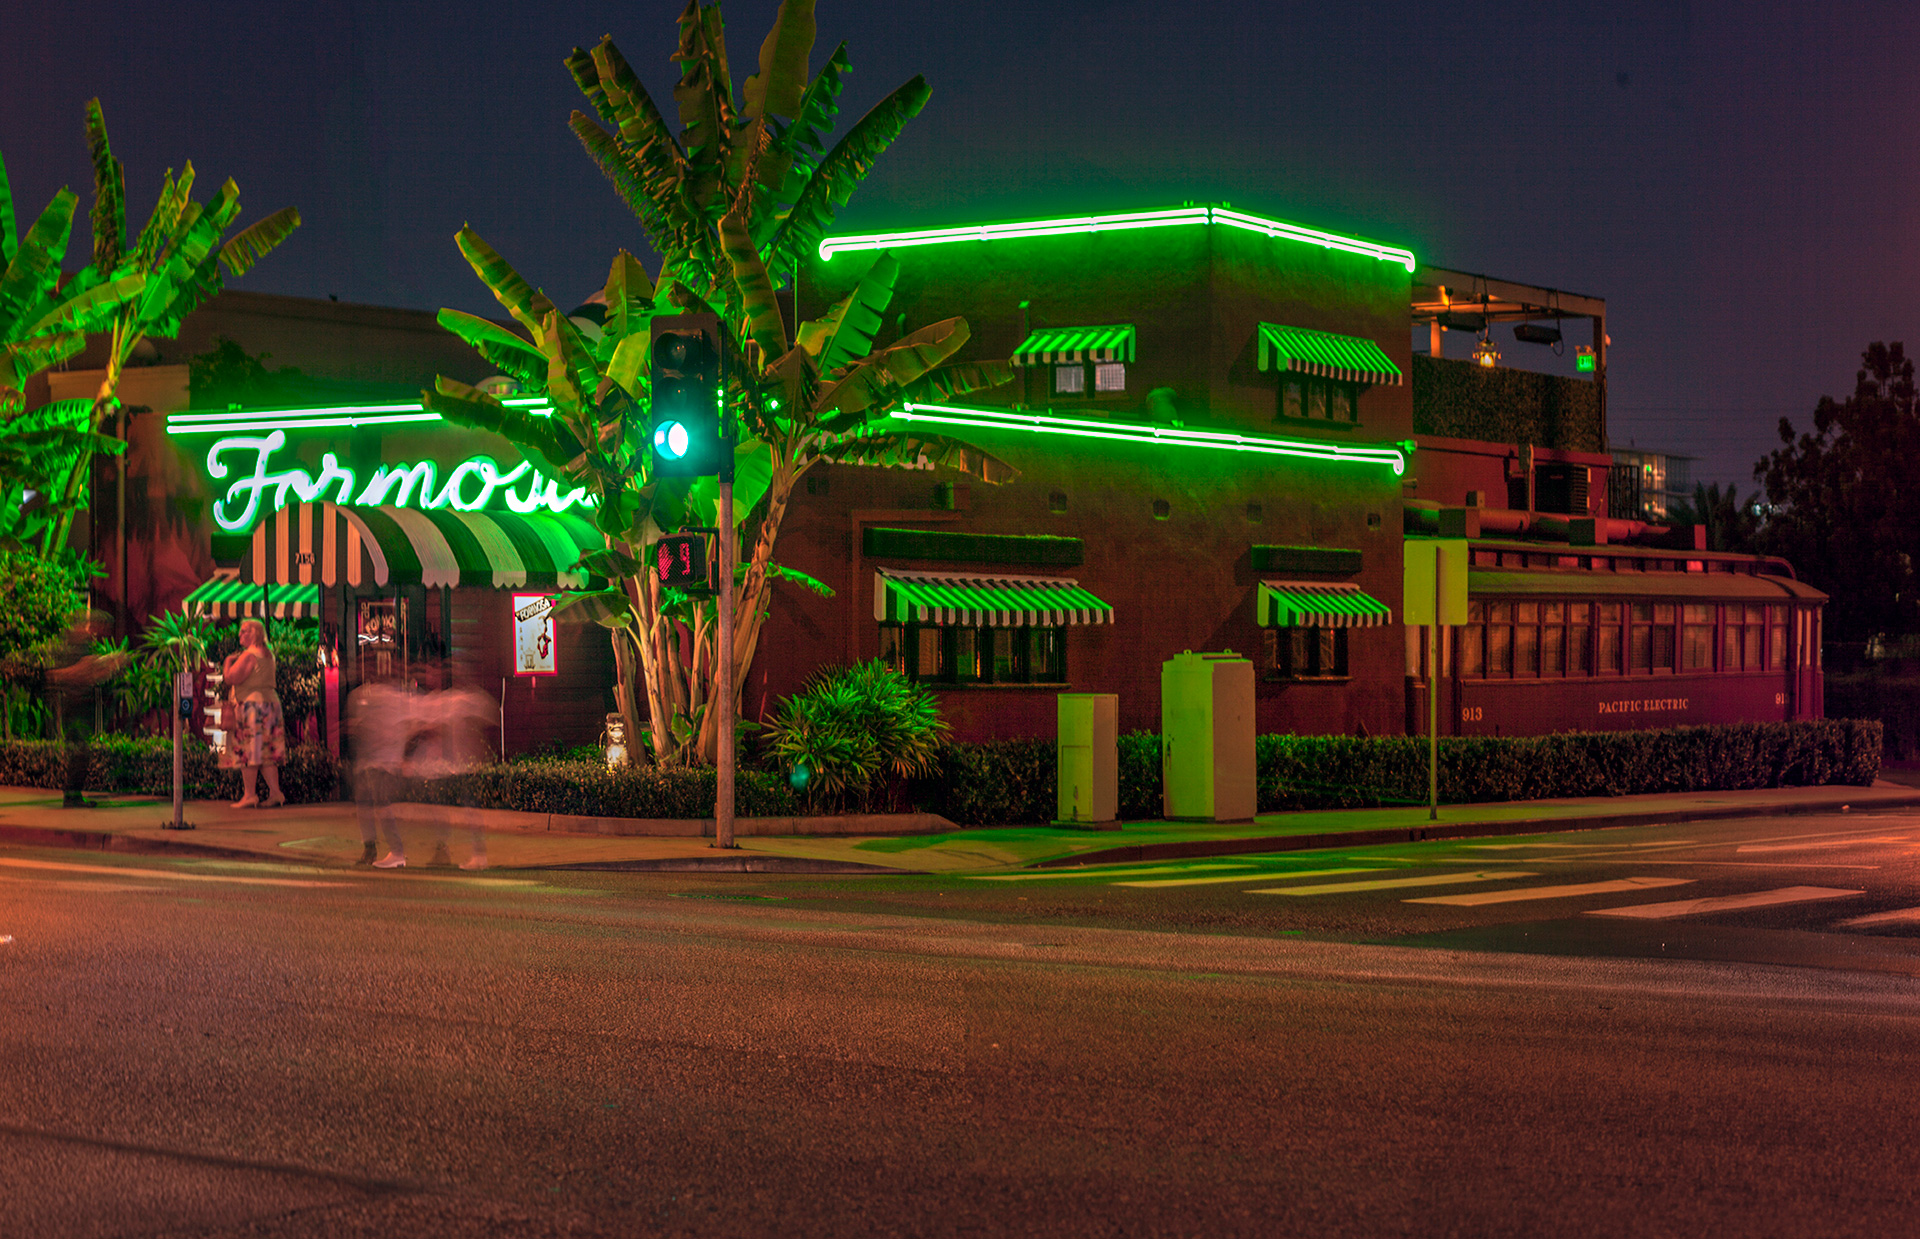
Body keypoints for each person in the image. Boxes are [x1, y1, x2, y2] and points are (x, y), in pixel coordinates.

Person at [219, 619, 285, 808]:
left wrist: (227, 662)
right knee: (267, 751)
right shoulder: (268, 654)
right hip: (271, 705)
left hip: (253, 708)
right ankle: (275, 792)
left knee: (249, 751)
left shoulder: (249, 655)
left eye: (244, 631)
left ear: (254, 633)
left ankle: (249, 794)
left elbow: (231, 677)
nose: (240, 634)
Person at [347, 674, 407, 866]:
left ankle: (396, 851)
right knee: (366, 803)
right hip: (370, 761)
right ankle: (371, 848)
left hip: (382, 761)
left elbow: (396, 730)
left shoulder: (390, 699)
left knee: (380, 802)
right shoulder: (363, 696)